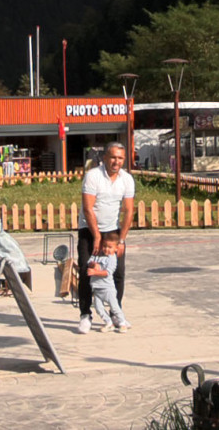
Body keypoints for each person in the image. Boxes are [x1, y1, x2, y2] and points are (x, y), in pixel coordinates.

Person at [77, 141, 134, 334]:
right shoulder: (93, 176)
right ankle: (85, 315)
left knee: (117, 273)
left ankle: (115, 312)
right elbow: (88, 208)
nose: (116, 162)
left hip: (112, 231)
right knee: (87, 270)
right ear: (104, 158)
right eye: (113, 157)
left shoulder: (126, 179)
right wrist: (96, 237)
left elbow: (128, 211)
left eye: (120, 158)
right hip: (89, 229)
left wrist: (121, 240)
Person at [86, 230, 130, 332]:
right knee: (98, 308)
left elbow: (107, 273)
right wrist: (93, 264)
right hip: (97, 288)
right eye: (104, 246)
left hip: (107, 289)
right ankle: (108, 322)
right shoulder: (97, 254)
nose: (106, 249)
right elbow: (90, 261)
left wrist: (95, 273)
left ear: (116, 248)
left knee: (114, 307)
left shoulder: (112, 258)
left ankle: (122, 323)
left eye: (110, 247)